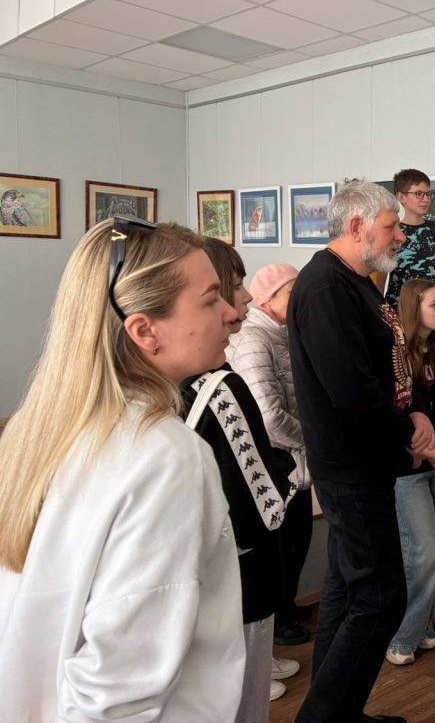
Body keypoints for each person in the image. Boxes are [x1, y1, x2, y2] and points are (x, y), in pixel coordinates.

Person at [0, 218, 245, 721]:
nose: (231, 313)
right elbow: (119, 689)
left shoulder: (37, 429)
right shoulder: (165, 455)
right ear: (144, 330)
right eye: (210, 300)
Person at [290, 180, 435, 723]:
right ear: (357, 227)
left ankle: (336, 714)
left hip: (365, 463)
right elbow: (352, 393)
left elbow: (388, 366)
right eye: (391, 225)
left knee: (346, 589)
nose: (400, 234)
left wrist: (416, 412)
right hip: (350, 467)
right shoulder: (324, 288)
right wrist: (410, 437)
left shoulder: (358, 281)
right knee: (380, 598)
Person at [182, 238, 296, 719]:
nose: (244, 299)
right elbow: (263, 504)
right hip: (241, 571)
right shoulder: (219, 387)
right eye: (228, 289)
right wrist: (289, 473)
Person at [226, 264, 314, 655]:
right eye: (291, 292)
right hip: (277, 462)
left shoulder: (282, 334)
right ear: (267, 298)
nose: (299, 300)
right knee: (284, 545)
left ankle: (287, 608)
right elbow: (268, 417)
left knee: (297, 540)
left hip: (293, 462)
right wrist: (312, 438)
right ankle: (279, 619)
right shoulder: (254, 339)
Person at [386, 279, 435, 666]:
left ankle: (425, 622)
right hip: (408, 467)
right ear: (416, 310)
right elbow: (394, 415)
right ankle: (402, 636)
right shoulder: (396, 357)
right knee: (424, 550)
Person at [383, 168, 435, 308]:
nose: (426, 199)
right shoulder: (391, 232)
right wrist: (379, 315)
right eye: (419, 194)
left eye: (428, 194)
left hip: (430, 309)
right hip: (399, 309)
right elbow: (381, 280)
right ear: (401, 197)